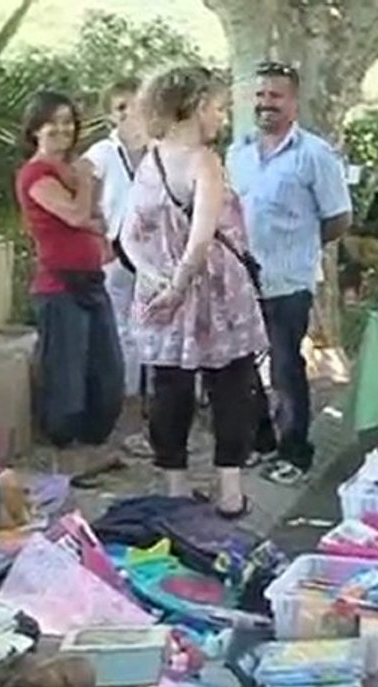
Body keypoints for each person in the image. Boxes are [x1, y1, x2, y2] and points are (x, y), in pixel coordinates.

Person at [125, 65, 267, 518]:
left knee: (170, 389)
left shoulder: (152, 159)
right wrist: (181, 283)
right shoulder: (205, 161)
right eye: (219, 108)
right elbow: (202, 237)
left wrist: (153, 280)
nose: (222, 119)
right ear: (197, 107)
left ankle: (175, 487)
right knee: (231, 385)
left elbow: (127, 234)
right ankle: (229, 490)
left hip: (162, 287)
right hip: (217, 292)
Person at [226, 61, 353, 485]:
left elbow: (338, 218)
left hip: (288, 279)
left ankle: (295, 451)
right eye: (260, 96)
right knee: (240, 366)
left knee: (284, 366)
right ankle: (260, 442)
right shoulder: (237, 152)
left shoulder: (315, 155)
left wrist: (299, 247)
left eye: (275, 96)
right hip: (239, 279)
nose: (266, 104)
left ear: (294, 103)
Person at [15, 90, 124, 474]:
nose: (62, 129)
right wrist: (85, 179)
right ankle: (67, 457)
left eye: (68, 121)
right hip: (59, 286)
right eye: (53, 123)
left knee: (106, 370)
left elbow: (92, 219)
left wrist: (83, 192)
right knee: (66, 376)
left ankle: (93, 446)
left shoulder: (68, 171)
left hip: (90, 278)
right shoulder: (36, 174)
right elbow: (79, 215)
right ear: (35, 130)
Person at [82, 78, 146, 400]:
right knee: (119, 325)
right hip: (115, 249)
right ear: (111, 116)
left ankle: (150, 394)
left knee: (151, 326)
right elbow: (85, 195)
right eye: (121, 107)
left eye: (134, 105)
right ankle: (123, 394)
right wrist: (98, 237)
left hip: (153, 252)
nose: (128, 113)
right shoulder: (102, 153)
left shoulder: (158, 150)